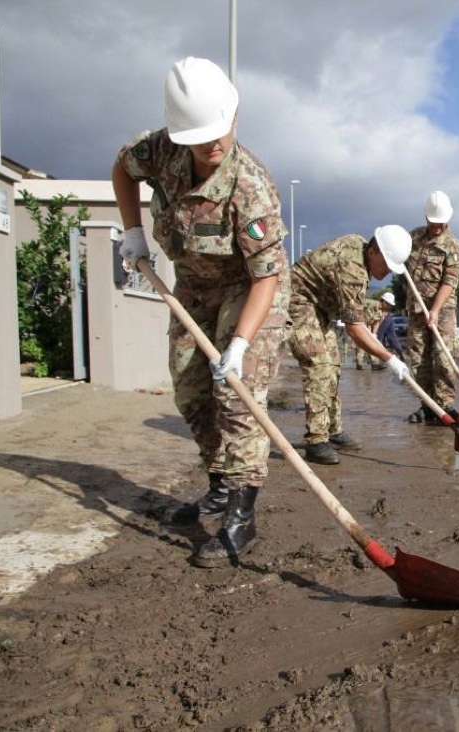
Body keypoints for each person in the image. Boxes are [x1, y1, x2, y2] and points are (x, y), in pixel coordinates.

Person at [112, 57, 291, 567]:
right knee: (190, 389)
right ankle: (219, 483)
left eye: (220, 130)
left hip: (250, 289)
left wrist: (239, 345)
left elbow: (265, 278)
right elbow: (121, 169)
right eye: (199, 138)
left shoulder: (250, 186)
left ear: (234, 114)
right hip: (193, 286)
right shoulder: (159, 149)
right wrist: (132, 231)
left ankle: (241, 513)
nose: (213, 144)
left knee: (236, 393)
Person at [287, 227, 413, 464]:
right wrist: (390, 358)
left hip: (321, 307)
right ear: (373, 252)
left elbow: (352, 305)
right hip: (298, 300)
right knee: (319, 366)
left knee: (333, 367)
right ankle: (316, 441)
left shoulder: (360, 247)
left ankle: (333, 430)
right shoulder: (352, 270)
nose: (388, 272)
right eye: (387, 265)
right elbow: (355, 329)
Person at [405, 191, 459, 424]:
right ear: (426, 217)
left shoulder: (453, 246)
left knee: (442, 358)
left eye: (442, 223)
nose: (437, 227)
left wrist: (436, 309)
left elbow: (450, 281)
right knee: (419, 360)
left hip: (443, 310)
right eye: (433, 222)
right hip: (416, 309)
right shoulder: (413, 237)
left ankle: (445, 405)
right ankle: (427, 405)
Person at [373, 291, 404, 363]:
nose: (390, 307)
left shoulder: (381, 308)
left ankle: (376, 361)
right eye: (389, 304)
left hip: (385, 319)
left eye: (390, 305)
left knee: (377, 338)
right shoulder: (377, 305)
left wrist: (374, 333)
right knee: (391, 337)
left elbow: (378, 321)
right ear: (384, 301)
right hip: (387, 318)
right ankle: (400, 352)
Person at [353, 297, 382, 370]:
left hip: (368, 324)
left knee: (372, 342)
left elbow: (377, 323)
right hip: (360, 322)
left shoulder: (380, 311)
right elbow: (357, 309)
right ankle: (359, 363)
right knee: (361, 342)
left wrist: (374, 334)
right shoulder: (368, 303)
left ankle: (374, 363)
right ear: (383, 302)